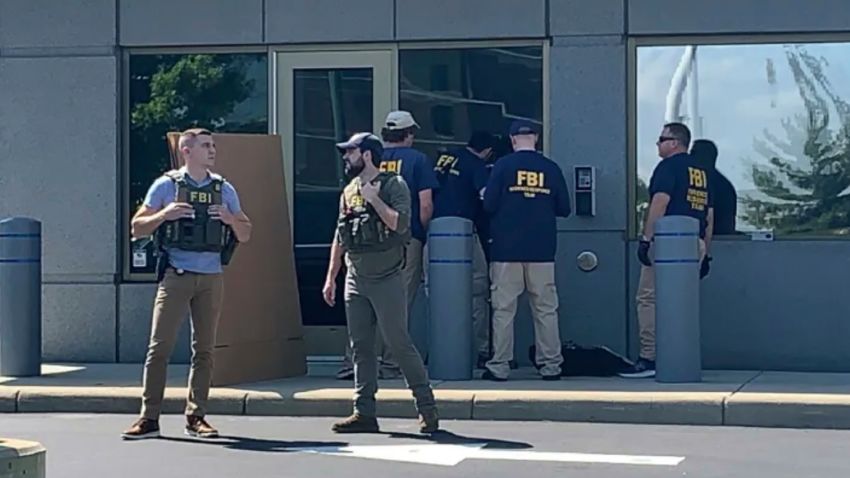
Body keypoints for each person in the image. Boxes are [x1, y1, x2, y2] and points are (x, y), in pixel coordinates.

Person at [122, 128, 252, 439]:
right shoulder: (167, 186)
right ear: (186, 151)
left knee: (204, 350)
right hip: (176, 275)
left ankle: (197, 416)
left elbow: (247, 233)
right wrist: (164, 215)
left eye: (213, 146)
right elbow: (136, 228)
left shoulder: (224, 189)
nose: (212, 151)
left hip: (210, 278)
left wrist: (232, 220)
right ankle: (149, 417)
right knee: (159, 347)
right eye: (205, 146)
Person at [323, 132, 439, 434]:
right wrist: (331, 277)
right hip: (355, 278)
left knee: (398, 343)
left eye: (351, 152)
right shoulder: (348, 190)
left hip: (387, 277)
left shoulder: (393, 185)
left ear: (368, 155)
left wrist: (374, 200)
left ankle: (427, 408)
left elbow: (400, 225)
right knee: (360, 346)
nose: (346, 158)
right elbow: (340, 235)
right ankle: (364, 412)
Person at [336, 111, 439, 380]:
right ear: (408, 134)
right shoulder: (418, 160)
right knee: (397, 305)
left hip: (360, 250)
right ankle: (392, 364)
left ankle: (353, 363)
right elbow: (425, 204)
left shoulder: (365, 169)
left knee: (361, 311)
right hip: (401, 244)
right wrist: (423, 233)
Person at [481, 120, 572, 381]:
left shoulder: (502, 166)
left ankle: (500, 365)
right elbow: (564, 208)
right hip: (542, 249)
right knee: (545, 309)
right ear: (537, 138)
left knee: (503, 310)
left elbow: (489, 205)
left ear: (512, 140)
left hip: (506, 249)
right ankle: (551, 365)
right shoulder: (551, 168)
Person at [620, 123, 712, 379]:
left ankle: (649, 357)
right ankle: (681, 356)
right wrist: (707, 252)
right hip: (694, 242)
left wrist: (647, 239)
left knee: (648, 298)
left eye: (661, 139)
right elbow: (709, 214)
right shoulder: (701, 172)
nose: (657, 144)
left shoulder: (668, 167)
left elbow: (660, 202)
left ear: (675, 142)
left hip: (668, 242)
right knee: (682, 302)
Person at [431, 131, 495, 368]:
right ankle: (478, 349)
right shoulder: (477, 165)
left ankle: (438, 347)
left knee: (437, 293)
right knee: (477, 288)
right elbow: (487, 198)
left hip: (434, 233)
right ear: (487, 151)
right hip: (463, 232)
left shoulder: (444, 159)